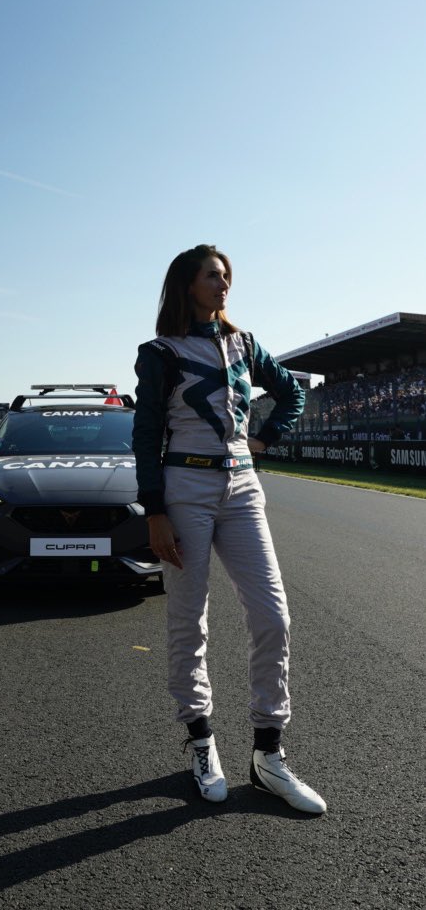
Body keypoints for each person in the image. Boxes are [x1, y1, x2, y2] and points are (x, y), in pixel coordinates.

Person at [132, 244, 326, 814]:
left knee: (274, 614)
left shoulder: (245, 344)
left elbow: (291, 391)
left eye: (226, 277)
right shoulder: (159, 352)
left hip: (243, 489)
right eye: (213, 277)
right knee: (188, 619)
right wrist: (154, 510)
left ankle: (269, 753)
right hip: (183, 489)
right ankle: (200, 741)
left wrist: (263, 441)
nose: (224, 286)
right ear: (187, 285)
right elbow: (145, 435)